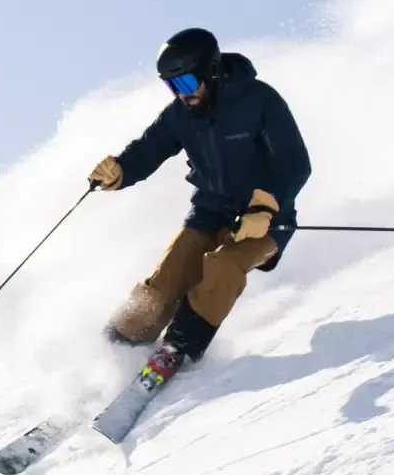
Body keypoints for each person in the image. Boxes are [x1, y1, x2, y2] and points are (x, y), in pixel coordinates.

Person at [87, 27, 311, 385]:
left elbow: (295, 162)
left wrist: (265, 206)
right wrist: (121, 169)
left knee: (222, 266)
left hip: (267, 221)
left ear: (212, 71)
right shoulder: (180, 115)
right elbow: (149, 148)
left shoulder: (260, 100)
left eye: (188, 83)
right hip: (210, 212)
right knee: (168, 276)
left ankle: (179, 347)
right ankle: (120, 347)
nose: (182, 94)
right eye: (172, 86)